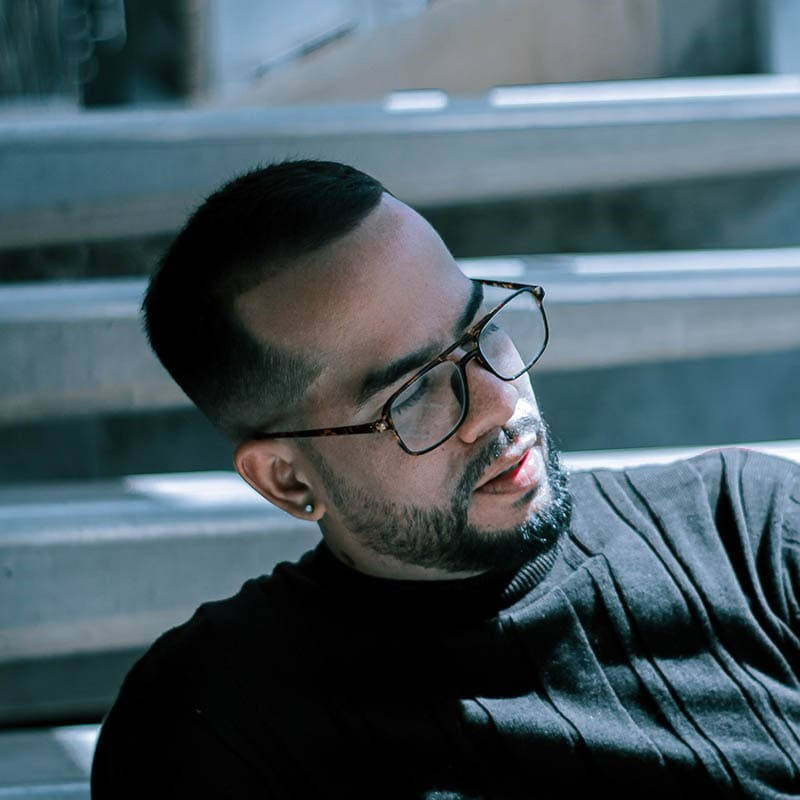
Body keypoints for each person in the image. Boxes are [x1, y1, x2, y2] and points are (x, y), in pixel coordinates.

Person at [90, 160, 800, 799]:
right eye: (412, 392)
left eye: (483, 325)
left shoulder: (748, 530)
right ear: (286, 480)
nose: (497, 401)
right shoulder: (213, 726)